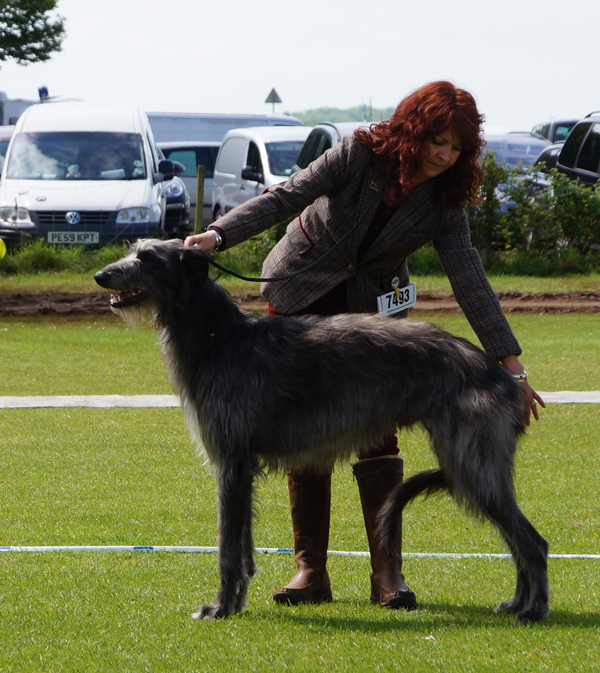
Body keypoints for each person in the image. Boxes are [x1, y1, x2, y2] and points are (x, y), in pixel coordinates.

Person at [184, 80, 545, 611]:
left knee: (378, 433)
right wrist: (217, 235)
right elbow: (286, 195)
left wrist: (510, 364)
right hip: (301, 290)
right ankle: (310, 569)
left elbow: (468, 274)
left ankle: (387, 573)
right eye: (436, 141)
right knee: (300, 431)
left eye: (456, 148)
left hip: (372, 308)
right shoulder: (359, 153)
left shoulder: (446, 200)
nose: (444, 156)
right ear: (412, 129)